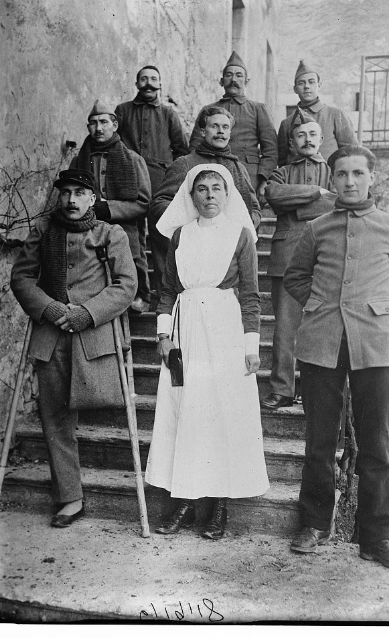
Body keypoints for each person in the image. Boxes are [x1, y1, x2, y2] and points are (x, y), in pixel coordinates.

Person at [284, 145, 389, 568]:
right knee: (319, 441)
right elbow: (296, 277)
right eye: (342, 174)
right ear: (332, 180)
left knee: (377, 447)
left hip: (376, 347)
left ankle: (376, 539)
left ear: (371, 178)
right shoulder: (317, 228)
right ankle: (314, 524)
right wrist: (318, 308)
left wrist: (383, 310)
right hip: (321, 345)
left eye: (357, 174)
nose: (349, 181)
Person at [145, 163, 269, 540]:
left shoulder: (240, 236)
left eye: (218, 188)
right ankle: (183, 499)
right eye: (202, 189)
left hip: (226, 332)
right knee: (184, 408)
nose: (210, 195)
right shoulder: (180, 236)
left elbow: (250, 295)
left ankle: (217, 505)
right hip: (184, 334)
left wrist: (250, 346)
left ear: (228, 195)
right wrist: (164, 336)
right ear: (191, 195)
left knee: (221, 412)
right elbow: (167, 290)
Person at [10, 169, 137, 527]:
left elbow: (126, 285)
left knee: (102, 403)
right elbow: (21, 278)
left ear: (92, 198)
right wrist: (49, 308)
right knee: (54, 418)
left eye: (79, 193)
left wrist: (87, 313)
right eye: (65, 193)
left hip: (94, 336)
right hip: (51, 336)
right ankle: (70, 497)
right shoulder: (43, 232)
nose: (71, 200)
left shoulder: (110, 233)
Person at [261, 110, 336, 411]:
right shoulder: (281, 173)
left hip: (324, 259)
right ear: (291, 142)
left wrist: (299, 207)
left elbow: (339, 202)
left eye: (312, 134)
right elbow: (274, 195)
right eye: (300, 135)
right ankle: (282, 389)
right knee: (285, 328)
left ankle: (312, 389)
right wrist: (316, 193)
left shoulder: (333, 173)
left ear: (320, 139)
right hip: (286, 259)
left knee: (320, 326)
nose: (307, 140)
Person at [148, 106, 261, 297]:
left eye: (225, 127)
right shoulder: (185, 163)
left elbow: (254, 208)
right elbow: (160, 203)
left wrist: (239, 227)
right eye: (214, 126)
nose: (220, 131)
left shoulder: (238, 168)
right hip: (194, 253)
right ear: (202, 131)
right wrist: (193, 223)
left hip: (228, 256)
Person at [115, 66, 189, 308]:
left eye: (153, 79)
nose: (148, 83)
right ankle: (138, 295)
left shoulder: (168, 114)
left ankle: (164, 292)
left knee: (162, 236)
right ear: (137, 83)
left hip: (160, 183)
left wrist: (172, 178)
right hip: (129, 181)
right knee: (132, 238)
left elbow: (181, 150)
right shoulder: (123, 111)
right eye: (143, 79)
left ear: (160, 84)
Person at [69, 99, 151, 313]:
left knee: (129, 273)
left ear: (114, 126)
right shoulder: (78, 161)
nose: (98, 128)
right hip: (90, 231)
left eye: (104, 122)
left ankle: (139, 296)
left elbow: (143, 203)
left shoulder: (133, 160)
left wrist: (109, 208)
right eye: (93, 123)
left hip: (125, 231)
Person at [188, 51, 278, 201]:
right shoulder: (208, 110)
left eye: (239, 75)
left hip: (249, 176)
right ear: (221, 81)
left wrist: (263, 180)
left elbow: (271, 150)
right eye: (229, 75)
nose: (233, 79)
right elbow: (194, 147)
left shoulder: (257, 109)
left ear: (246, 81)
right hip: (212, 174)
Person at [277, 59, 358, 168]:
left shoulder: (336, 115)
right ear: (295, 89)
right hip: (297, 182)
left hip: (329, 180)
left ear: (319, 85)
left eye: (311, 82)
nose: (306, 86)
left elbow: (352, 152)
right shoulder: (286, 124)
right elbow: (282, 162)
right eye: (301, 83)